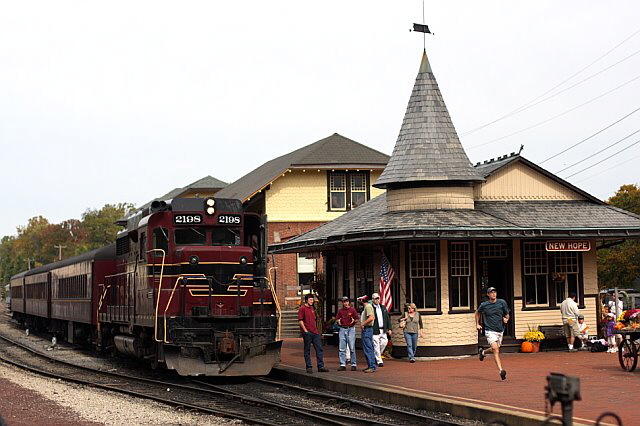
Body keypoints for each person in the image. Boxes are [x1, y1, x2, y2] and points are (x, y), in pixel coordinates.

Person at [476, 287, 510, 381]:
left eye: (494, 292)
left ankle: (482, 352)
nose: (493, 294)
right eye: (491, 293)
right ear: (488, 295)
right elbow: (477, 313)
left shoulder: (502, 303)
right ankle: (501, 370)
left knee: (495, 348)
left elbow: (507, 314)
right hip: (489, 330)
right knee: (495, 349)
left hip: (500, 330)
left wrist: (506, 319)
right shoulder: (484, 305)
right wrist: (477, 324)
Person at [298, 294, 329, 373]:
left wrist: (317, 330)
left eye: (312, 300)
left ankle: (320, 366)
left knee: (319, 349)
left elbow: (314, 320)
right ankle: (309, 366)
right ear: (306, 300)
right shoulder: (302, 309)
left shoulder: (312, 308)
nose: (312, 301)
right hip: (307, 332)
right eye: (310, 300)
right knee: (307, 349)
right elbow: (300, 320)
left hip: (315, 332)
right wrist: (305, 330)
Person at [335, 296, 359, 371]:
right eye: (344, 302)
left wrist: (354, 321)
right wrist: (338, 321)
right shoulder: (340, 311)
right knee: (342, 348)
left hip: (350, 329)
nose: (345, 303)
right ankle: (342, 364)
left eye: (346, 301)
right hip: (342, 329)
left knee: (352, 347)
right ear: (342, 303)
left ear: (349, 302)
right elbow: (337, 319)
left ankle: (354, 364)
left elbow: (357, 318)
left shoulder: (352, 310)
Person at [371, 293, 392, 367]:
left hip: (383, 329)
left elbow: (387, 318)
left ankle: (376, 356)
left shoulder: (383, 307)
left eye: (378, 298)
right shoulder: (371, 308)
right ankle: (379, 361)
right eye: (375, 299)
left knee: (384, 342)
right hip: (375, 329)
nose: (377, 300)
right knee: (376, 345)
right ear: (373, 299)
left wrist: (389, 328)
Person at [359, 295, 377, 373]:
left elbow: (371, 317)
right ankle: (370, 365)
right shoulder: (367, 307)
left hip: (367, 329)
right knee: (367, 348)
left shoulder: (368, 307)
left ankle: (372, 366)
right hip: (366, 329)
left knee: (368, 348)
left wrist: (363, 324)